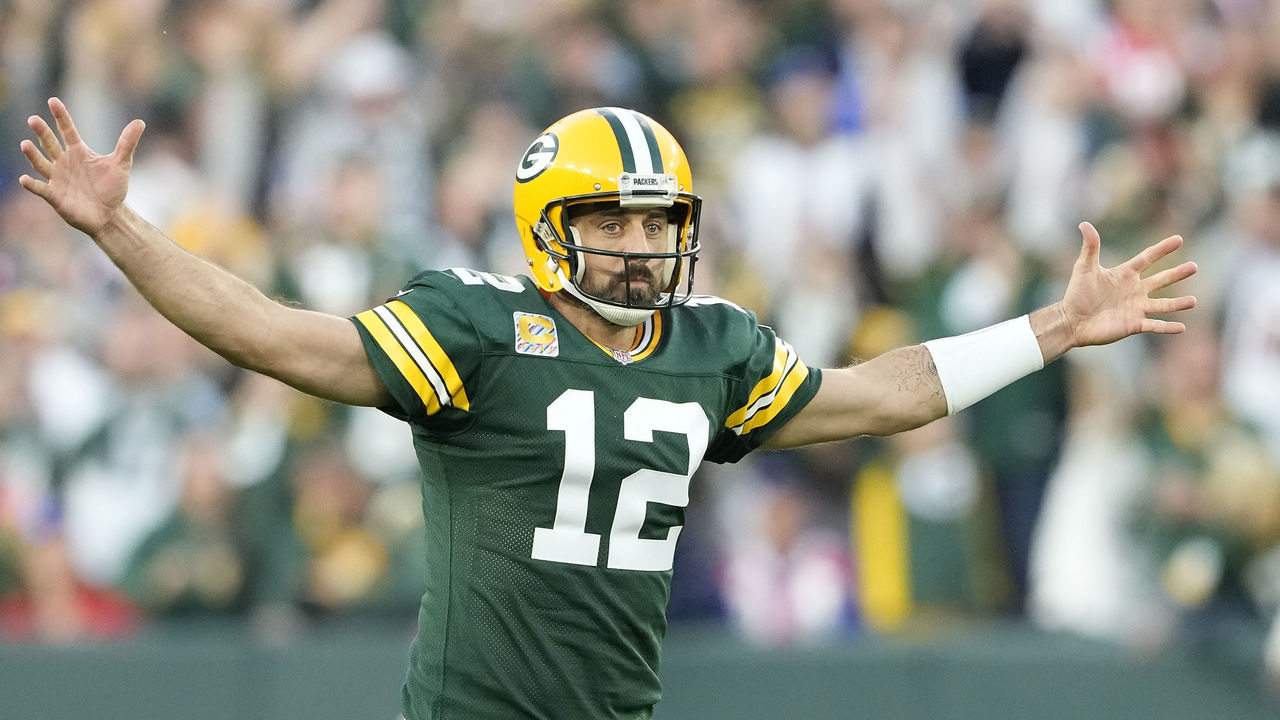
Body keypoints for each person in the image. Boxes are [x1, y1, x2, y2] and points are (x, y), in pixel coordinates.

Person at [17, 98, 1197, 719]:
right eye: (612, 224)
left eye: (656, 225)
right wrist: (120, 228)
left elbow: (877, 396)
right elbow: (270, 334)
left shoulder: (711, 348)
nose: (639, 249)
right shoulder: (477, 329)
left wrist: (1049, 330)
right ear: (549, 228)